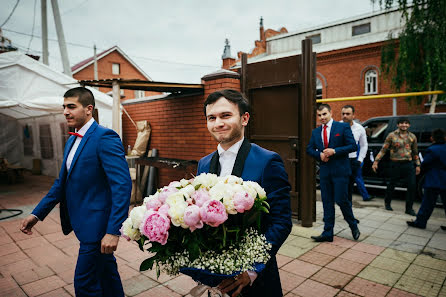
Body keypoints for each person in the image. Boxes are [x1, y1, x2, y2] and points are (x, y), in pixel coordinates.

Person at [20, 87, 132, 297]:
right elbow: (61, 183)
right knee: (108, 277)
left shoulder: (104, 137)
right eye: (64, 107)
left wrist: (113, 231)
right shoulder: (72, 139)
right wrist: (37, 214)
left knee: (85, 285)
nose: (65, 111)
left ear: (89, 109)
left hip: (97, 228)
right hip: (82, 223)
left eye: (71, 106)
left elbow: (122, 185)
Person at [197, 89, 292, 297]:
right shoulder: (203, 164)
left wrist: (251, 269)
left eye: (226, 115)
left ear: (244, 118)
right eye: (211, 118)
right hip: (214, 272)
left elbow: (282, 222)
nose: (218, 123)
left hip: (256, 278)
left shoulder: (268, 161)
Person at [306, 104, 360, 242]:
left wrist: (334, 151)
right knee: (327, 202)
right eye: (319, 115)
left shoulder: (342, 127)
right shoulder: (316, 132)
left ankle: (353, 225)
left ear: (330, 113)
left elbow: (353, 146)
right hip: (325, 172)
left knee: (342, 200)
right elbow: (309, 149)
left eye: (324, 114)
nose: (322, 118)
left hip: (341, 171)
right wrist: (319, 155)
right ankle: (327, 233)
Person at [372, 117, 420, 215]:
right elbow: (383, 150)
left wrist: (418, 165)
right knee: (392, 184)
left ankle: (409, 208)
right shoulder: (391, 136)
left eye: (406, 123)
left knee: (412, 186)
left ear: (409, 125)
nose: (404, 125)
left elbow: (415, 152)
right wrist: (376, 161)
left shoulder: (412, 137)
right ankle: (388, 203)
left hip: (408, 164)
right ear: (398, 125)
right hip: (395, 164)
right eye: (402, 123)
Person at [407, 128, 446, 229]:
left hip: (434, 179)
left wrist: (420, 168)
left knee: (428, 203)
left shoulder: (432, 149)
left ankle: (420, 222)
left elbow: (426, 164)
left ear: (432, 138)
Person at [341, 105, 371, 202]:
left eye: (348, 114)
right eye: (343, 114)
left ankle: (348, 213)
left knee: (349, 188)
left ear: (353, 115)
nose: (345, 116)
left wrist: (360, 160)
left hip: (352, 161)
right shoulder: (336, 126)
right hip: (339, 161)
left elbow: (364, 145)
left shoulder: (359, 128)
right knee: (337, 187)